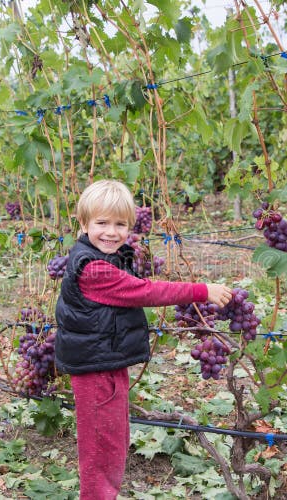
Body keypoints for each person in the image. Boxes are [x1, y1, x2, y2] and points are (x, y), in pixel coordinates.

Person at [55, 179, 232, 500]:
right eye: (102, 223)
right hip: (96, 371)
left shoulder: (102, 255)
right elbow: (145, 291)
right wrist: (201, 290)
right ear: (83, 224)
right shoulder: (93, 268)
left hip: (105, 361)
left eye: (120, 224)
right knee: (100, 448)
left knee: (115, 440)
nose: (111, 232)